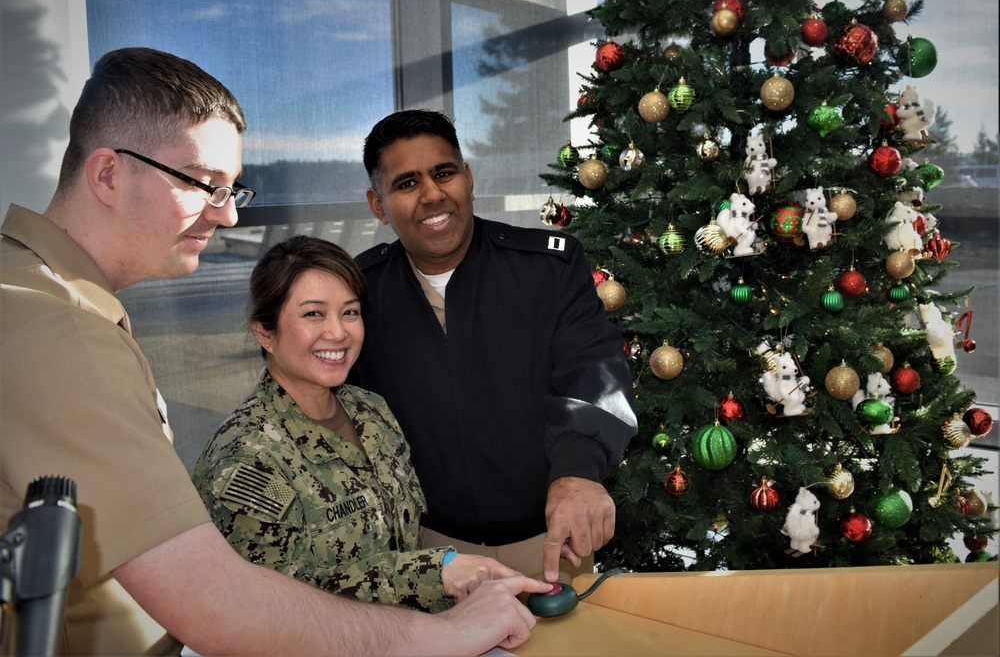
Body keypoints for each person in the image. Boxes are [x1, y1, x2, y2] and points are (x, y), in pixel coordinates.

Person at [0, 48, 546, 657]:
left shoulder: (52, 303)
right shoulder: (54, 326)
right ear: (107, 174)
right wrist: (443, 632)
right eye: (204, 185)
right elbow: (215, 602)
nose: (229, 214)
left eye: (234, 190)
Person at [351, 109, 638, 585]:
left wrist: (576, 472)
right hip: (425, 556)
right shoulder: (357, 294)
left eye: (444, 173)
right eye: (406, 183)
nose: (432, 194)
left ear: (468, 177)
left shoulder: (549, 269)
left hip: (550, 540)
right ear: (378, 204)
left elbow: (595, 372)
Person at [194, 235, 527, 613]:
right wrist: (433, 573)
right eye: (313, 314)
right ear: (265, 333)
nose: (338, 332)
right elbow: (270, 605)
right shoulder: (248, 459)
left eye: (350, 312)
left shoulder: (370, 411)